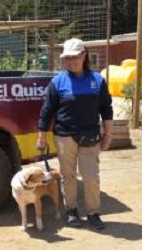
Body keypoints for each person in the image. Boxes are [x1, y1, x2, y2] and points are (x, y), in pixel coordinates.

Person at [36, 38, 113, 230]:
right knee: (68, 176)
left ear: (84, 55)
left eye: (74, 57)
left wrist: (108, 135)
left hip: (90, 137)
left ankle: (93, 213)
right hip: (64, 137)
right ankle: (71, 211)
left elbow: (106, 109)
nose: (70, 62)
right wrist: (42, 136)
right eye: (67, 58)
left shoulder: (98, 80)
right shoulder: (58, 82)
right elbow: (47, 110)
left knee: (91, 176)